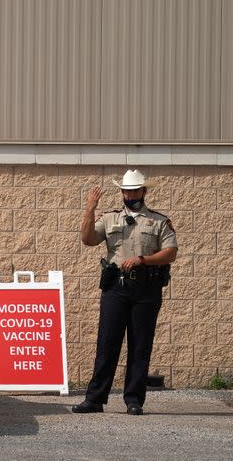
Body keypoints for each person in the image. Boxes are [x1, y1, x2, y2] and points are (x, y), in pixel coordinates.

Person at [72, 169, 178, 416]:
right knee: (107, 343)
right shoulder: (109, 218)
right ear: (121, 192)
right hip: (116, 288)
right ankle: (95, 399)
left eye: (134, 190)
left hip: (146, 289)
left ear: (144, 191)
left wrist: (142, 259)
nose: (130, 195)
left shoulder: (159, 221)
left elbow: (171, 252)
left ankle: (134, 400)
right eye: (126, 191)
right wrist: (89, 208)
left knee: (140, 345)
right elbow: (87, 239)